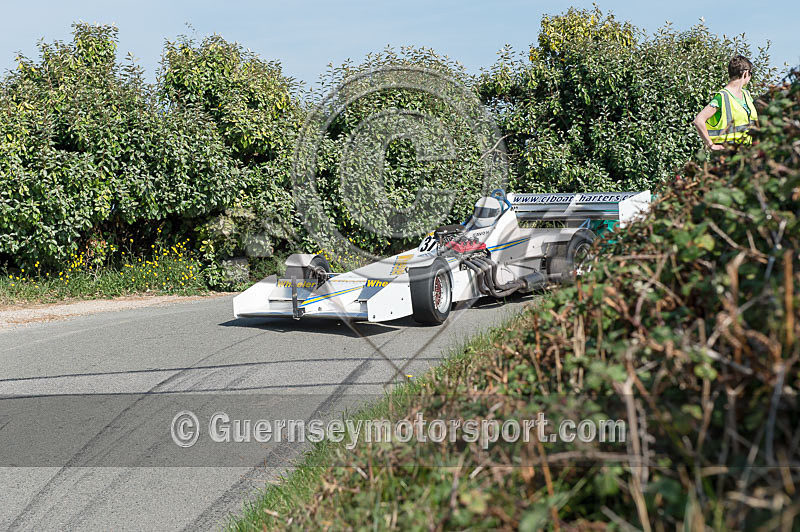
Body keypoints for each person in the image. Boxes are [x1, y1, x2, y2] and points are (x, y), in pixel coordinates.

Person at [693, 55, 759, 150]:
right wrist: (711, 145)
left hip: (747, 151)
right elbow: (698, 121)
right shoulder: (722, 97)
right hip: (727, 151)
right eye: (751, 73)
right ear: (745, 73)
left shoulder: (747, 95)